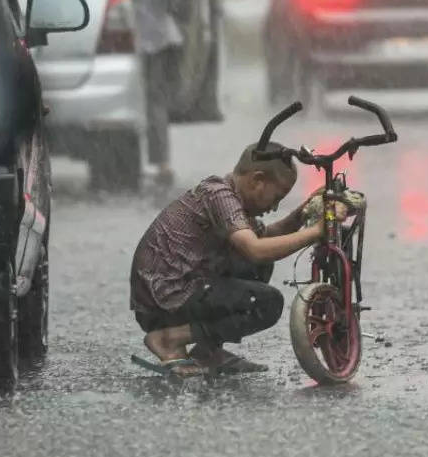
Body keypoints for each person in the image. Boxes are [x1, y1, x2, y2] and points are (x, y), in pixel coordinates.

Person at [130, 142, 342, 375]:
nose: (274, 207)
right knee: (267, 303)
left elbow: (265, 237)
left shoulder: (230, 197)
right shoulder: (219, 195)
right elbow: (256, 249)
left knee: (257, 266)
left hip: (176, 292)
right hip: (164, 301)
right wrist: (315, 232)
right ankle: (169, 339)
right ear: (257, 180)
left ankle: (207, 351)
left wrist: (303, 213)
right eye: (276, 197)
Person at [112, 0, 183, 188]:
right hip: (159, 36)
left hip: (121, 39)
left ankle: (120, 164)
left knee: (120, 103)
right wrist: (166, 7)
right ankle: (162, 164)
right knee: (157, 101)